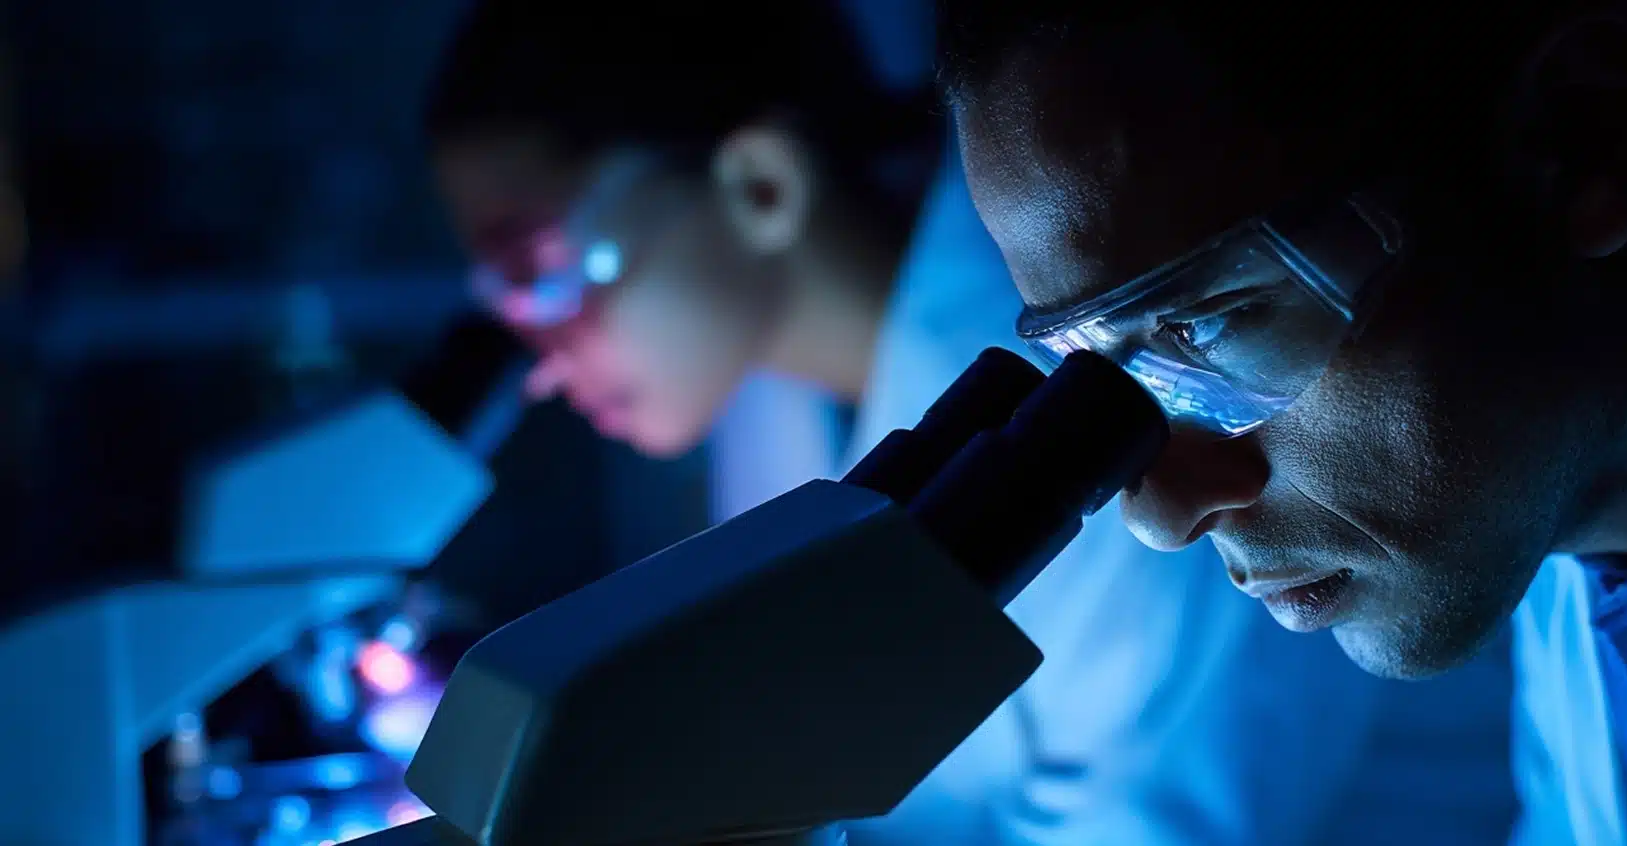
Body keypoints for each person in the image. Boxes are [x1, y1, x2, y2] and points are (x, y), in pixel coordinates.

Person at [425, 1, 1518, 843]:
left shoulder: (1139, 374)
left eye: (541, 273)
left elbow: (1163, 823)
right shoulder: (784, 424)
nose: (536, 363)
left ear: (760, 183)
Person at [935, 1, 1627, 843]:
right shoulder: (1564, 489)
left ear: (1580, 139)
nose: (1163, 513)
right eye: (1097, 365)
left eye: (1211, 324)